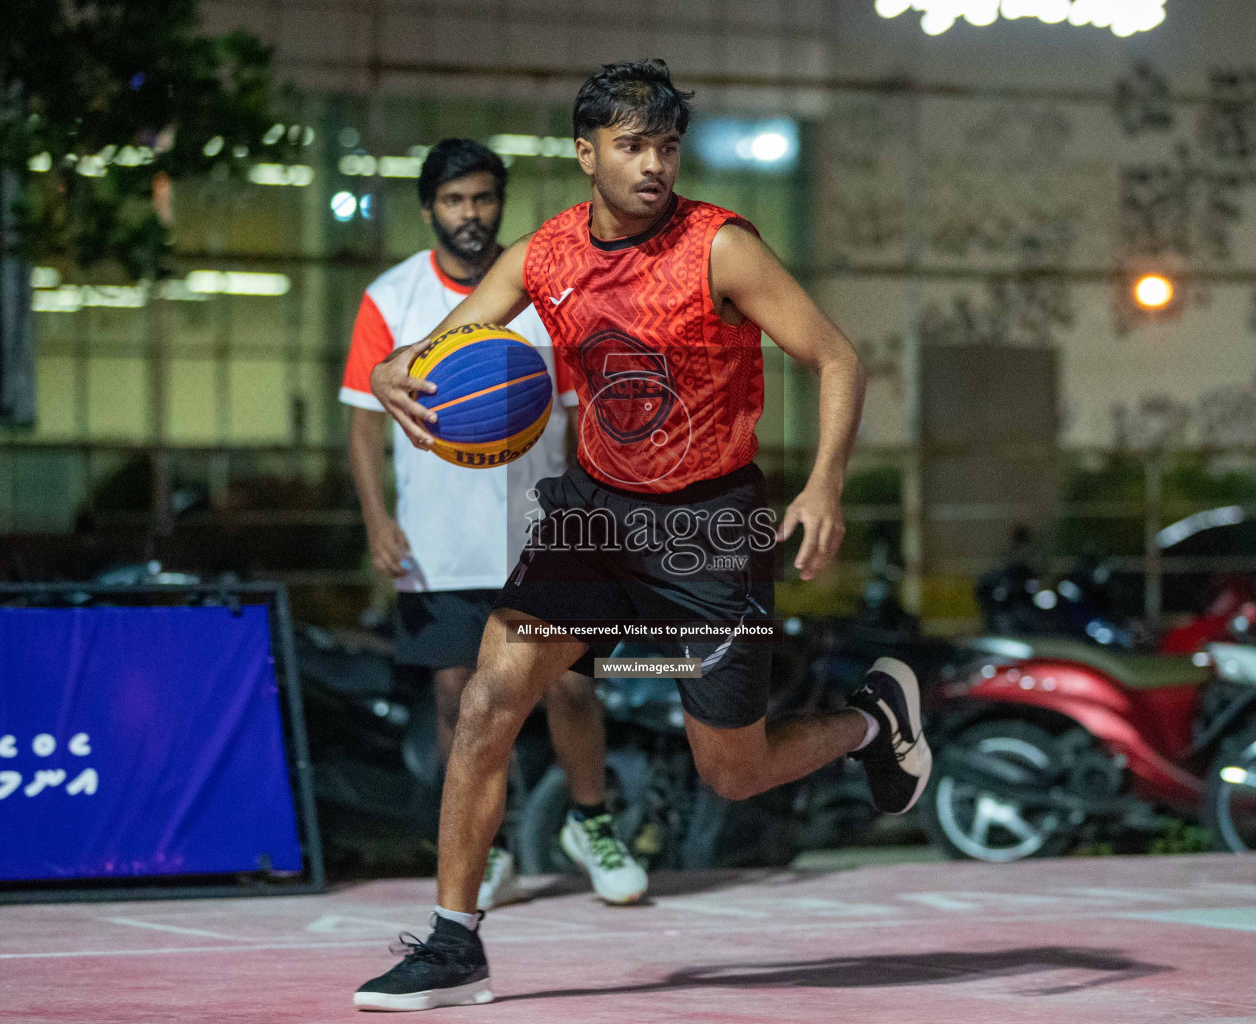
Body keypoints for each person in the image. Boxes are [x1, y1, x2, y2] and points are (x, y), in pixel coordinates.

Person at [353, 61, 929, 1012]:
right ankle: (455, 943)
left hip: (712, 523)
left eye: (666, 146)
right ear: (586, 155)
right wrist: (390, 376)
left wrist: (824, 484)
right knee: (491, 700)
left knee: (731, 771)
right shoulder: (542, 256)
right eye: (632, 146)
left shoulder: (720, 247)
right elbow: (432, 354)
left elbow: (837, 357)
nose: (654, 165)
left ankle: (875, 719)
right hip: (593, 513)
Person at [339, 138, 646, 914]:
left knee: (573, 690)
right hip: (438, 544)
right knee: (455, 699)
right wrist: (376, 518)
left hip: (540, 534)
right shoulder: (392, 296)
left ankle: (591, 824)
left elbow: (584, 418)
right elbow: (363, 423)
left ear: (499, 202)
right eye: (454, 201)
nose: (470, 215)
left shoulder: (546, 289)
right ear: (428, 209)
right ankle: (491, 845)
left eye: (482, 198)